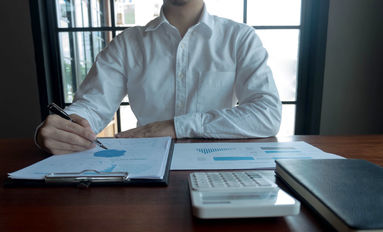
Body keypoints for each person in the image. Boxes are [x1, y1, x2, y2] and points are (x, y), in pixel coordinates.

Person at [37, 0, 282, 155]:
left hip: (218, 163)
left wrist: (176, 126)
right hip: (145, 168)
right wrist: (64, 127)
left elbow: (267, 114)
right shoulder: (127, 44)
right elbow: (92, 107)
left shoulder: (239, 38)